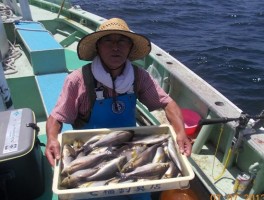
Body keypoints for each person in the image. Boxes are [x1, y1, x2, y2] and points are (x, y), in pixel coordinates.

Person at [45, 17, 191, 200]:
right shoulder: (78, 80)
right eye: (108, 41)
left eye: (122, 41)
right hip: (90, 152)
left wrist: (180, 132)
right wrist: (52, 139)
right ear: (98, 47)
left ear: (130, 48)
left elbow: (167, 104)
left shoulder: (139, 77)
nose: (116, 47)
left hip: (130, 148)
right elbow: (56, 117)